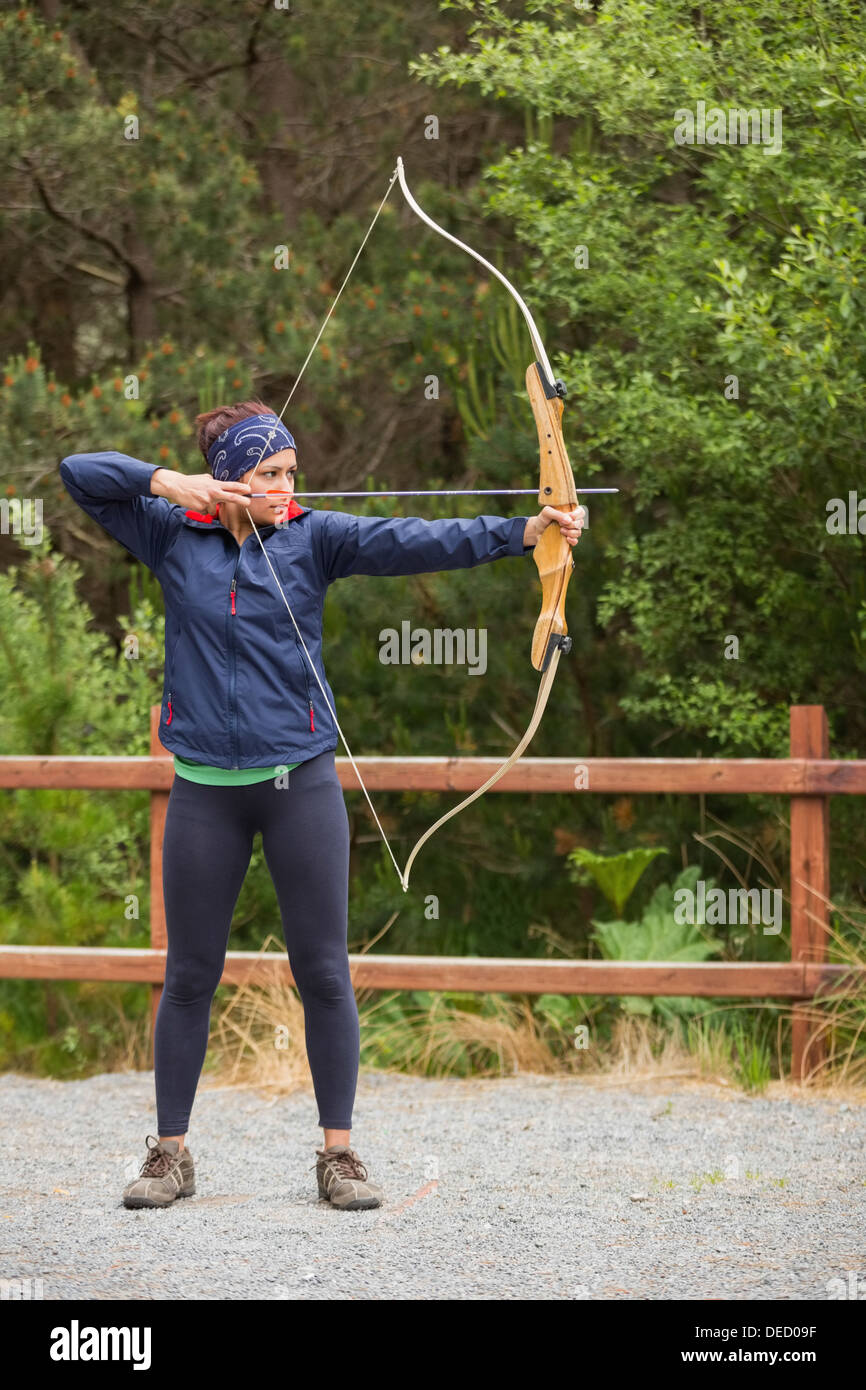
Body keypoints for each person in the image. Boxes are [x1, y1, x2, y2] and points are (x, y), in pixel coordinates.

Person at [59, 399, 585, 1213]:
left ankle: (338, 1157)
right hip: (205, 789)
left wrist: (529, 532)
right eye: (267, 474)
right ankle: (170, 1155)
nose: (283, 487)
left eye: (291, 473)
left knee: (324, 973)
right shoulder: (170, 534)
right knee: (190, 975)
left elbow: (420, 539)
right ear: (230, 474)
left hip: (298, 785)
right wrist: (171, 483)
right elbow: (80, 475)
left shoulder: (315, 537)